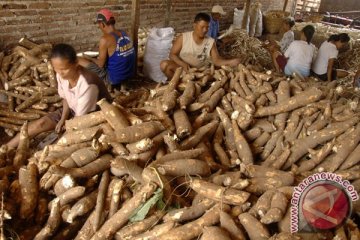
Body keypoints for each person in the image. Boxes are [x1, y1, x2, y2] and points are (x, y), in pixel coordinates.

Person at [6, 43, 111, 149]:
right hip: (73, 111)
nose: (61, 73)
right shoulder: (61, 74)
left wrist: (66, 129)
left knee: (61, 144)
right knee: (40, 124)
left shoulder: (88, 84)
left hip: (93, 116)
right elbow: (65, 98)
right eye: (56, 69)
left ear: (75, 63)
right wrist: (63, 118)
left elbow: (80, 120)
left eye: (64, 69)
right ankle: (5, 148)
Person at [160, 13, 241, 79]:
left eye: (207, 27)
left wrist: (231, 62)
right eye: (202, 27)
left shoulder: (211, 41)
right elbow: (172, 54)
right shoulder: (183, 38)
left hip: (202, 73)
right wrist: (182, 64)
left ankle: (193, 84)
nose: (205, 30)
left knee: (210, 76)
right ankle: (178, 84)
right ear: (194, 25)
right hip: (184, 70)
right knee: (164, 65)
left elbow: (217, 61)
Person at [78, 8, 136, 89]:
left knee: (78, 60)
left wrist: (89, 58)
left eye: (98, 24)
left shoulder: (105, 39)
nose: (99, 27)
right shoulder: (124, 32)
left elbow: (100, 65)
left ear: (102, 24)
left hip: (114, 79)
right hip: (130, 75)